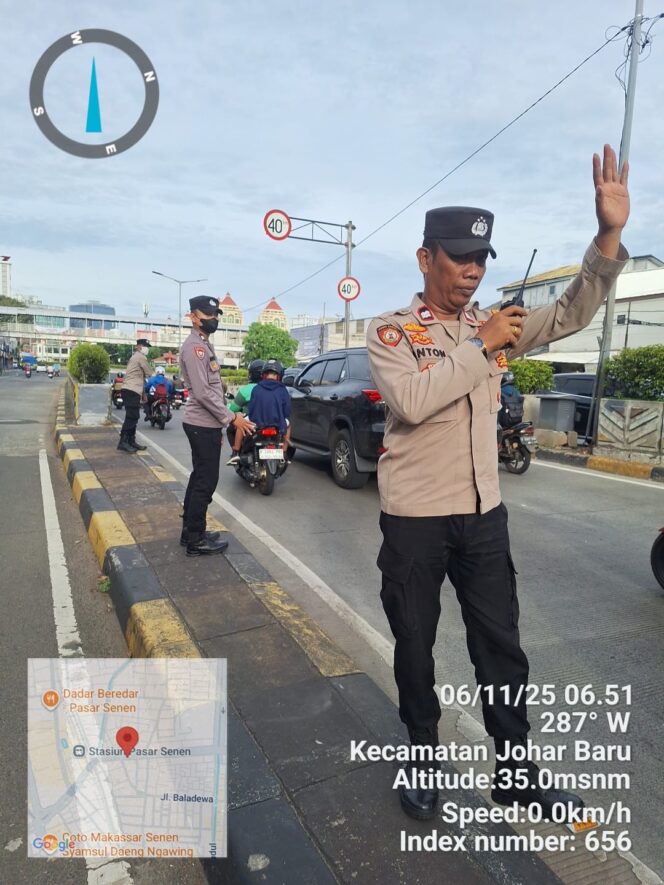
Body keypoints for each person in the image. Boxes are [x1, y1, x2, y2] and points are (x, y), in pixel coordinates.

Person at [367, 145, 630, 821]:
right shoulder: (393, 331)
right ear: (426, 258)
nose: (473, 270)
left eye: (482, 259)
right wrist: (480, 345)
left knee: (503, 650)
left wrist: (606, 238)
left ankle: (517, 772)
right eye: (460, 257)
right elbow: (413, 402)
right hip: (416, 518)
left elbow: (571, 312)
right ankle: (421, 755)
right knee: (416, 645)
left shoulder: (498, 327)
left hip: (483, 514)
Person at [180, 295, 255, 555]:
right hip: (201, 423)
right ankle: (195, 540)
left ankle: (190, 531)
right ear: (193, 316)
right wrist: (233, 417)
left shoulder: (203, 345)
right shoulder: (195, 348)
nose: (213, 320)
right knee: (205, 482)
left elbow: (209, 389)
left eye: (215, 315)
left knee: (199, 477)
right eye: (208, 315)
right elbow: (202, 393)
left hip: (205, 424)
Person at [244, 359, 292, 459]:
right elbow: (287, 411)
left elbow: (251, 408)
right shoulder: (283, 389)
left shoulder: (256, 388)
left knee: (241, 425)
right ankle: (284, 451)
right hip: (278, 423)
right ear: (279, 376)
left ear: (264, 375)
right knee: (289, 425)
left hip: (257, 423)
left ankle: (235, 451)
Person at [226, 359, 264, 464]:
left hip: (251, 421)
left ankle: (236, 452)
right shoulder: (271, 388)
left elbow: (232, 409)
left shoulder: (246, 389)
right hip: (271, 421)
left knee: (231, 429)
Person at [117, 338, 151, 452]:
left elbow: (140, 378)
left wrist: (143, 394)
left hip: (133, 390)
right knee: (132, 416)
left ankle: (131, 441)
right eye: (145, 346)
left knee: (134, 416)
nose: (147, 349)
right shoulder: (140, 357)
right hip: (131, 390)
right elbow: (149, 373)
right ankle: (123, 442)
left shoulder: (136, 357)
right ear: (139, 347)